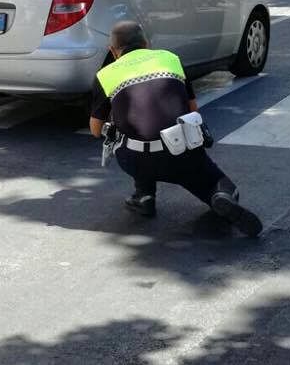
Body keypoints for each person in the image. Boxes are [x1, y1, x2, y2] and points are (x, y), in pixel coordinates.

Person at [89, 21, 263, 237]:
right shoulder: (170, 59)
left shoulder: (106, 75)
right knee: (222, 188)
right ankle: (219, 196)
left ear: (113, 51)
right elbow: (192, 109)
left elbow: (96, 130)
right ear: (146, 43)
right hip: (179, 151)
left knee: (134, 134)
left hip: (134, 159)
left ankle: (144, 196)